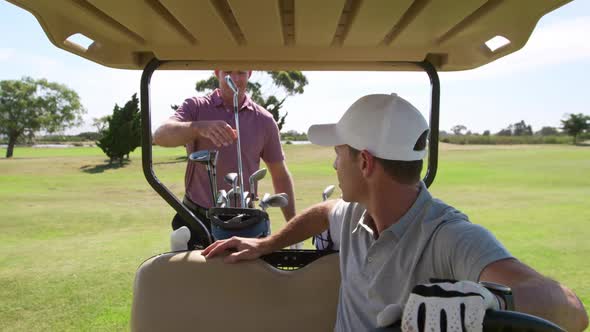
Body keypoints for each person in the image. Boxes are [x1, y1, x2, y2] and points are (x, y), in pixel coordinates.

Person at [202, 93, 588, 331]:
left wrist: (494, 300)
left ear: (365, 163)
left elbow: (573, 311)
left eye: (339, 153)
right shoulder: (354, 213)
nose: (334, 165)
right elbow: (322, 211)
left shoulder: (449, 236)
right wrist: (267, 242)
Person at [153, 70, 296, 246]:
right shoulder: (196, 107)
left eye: (241, 73)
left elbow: (280, 175)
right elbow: (160, 136)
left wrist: (293, 228)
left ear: (250, 73)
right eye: (228, 72)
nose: (235, 79)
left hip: (246, 220)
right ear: (217, 72)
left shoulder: (264, 120)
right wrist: (198, 128)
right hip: (197, 219)